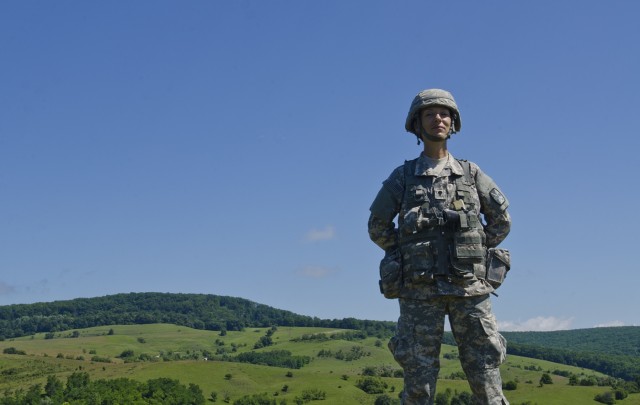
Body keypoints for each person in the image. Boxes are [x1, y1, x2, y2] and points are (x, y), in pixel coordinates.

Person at [368, 88, 512, 405]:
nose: (438, 118)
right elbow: (377, 226)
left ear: (453, 122)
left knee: (486, 377)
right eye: (430, 113)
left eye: (444, 113)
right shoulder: (403, 177)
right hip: (419, 291)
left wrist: (470, 247)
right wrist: (407, 254)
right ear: (417, 124)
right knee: (418, 381)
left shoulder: (472, 174)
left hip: (470, 290)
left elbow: (501, 221)